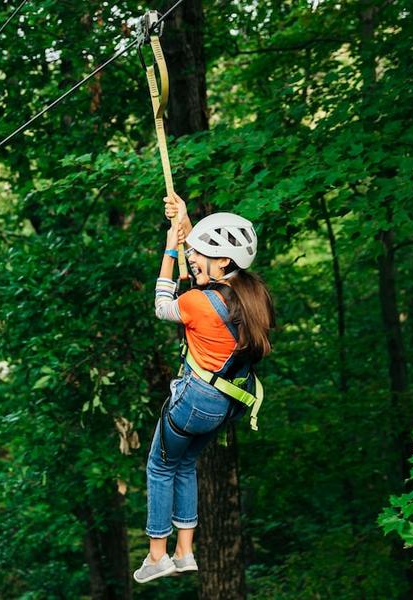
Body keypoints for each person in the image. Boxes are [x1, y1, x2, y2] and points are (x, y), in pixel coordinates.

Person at [133, 192, 275, 584]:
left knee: (160, 466)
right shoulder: (252, 294)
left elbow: (164, 303)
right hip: (228, 403)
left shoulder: (197, 302)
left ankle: (158, 555)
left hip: (194, 400)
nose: (191, 256)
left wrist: (169, 246)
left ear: (223, 261)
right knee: (185, 464)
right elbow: (210, 267)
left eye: (198, 252)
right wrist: (184, 219)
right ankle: (185, 551)